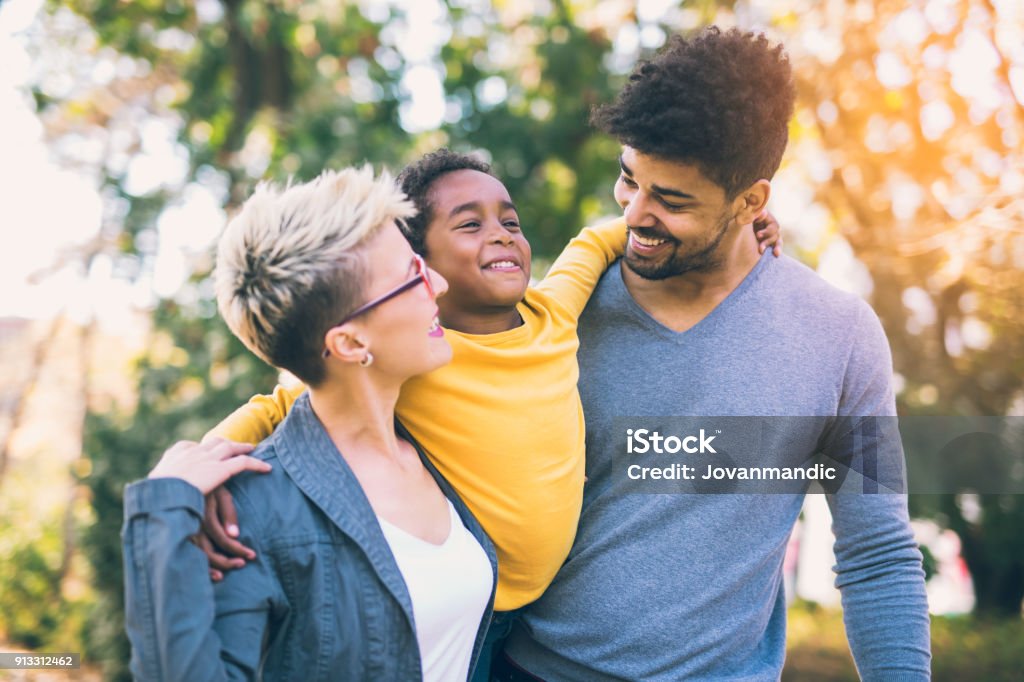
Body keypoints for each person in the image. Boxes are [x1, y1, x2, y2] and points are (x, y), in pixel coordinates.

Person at [201, 150, 783, 680]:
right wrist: (199, 467)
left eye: (510, 221)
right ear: (418, 264)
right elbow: (283, 404)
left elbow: (607, 237)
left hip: (548, 621)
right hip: (468, 616)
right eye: (470, 225)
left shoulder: (554, 310)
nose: (502, 235)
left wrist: (733, 223)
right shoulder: (414, 357)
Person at [496, 27, 931, 681]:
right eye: (628, 180)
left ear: (752, 200)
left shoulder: (839, 336)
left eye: (670, 200)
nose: (635, 213)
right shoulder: (567, 307)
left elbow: (878, 554)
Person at [121, 167, 497, 681]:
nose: (438, 282)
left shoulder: (432, 442)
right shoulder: (250, 512)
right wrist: (162, 513)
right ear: (349, 343)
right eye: (412, 275)